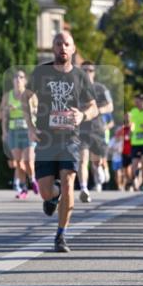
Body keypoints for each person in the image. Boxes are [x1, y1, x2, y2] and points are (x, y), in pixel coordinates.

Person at [22, 31, 98, 253]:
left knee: (68, 186)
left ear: (73, 49)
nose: (62, 48)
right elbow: (25, 98)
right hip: (46, 139)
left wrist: (82, 115)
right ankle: (51, 197)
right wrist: (30, 127)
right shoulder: (41, 72)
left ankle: (61, 235)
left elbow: (92, 106)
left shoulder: (80, 77)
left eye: (67, 44)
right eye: (58, 44)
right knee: (46, 192)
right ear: (53, 48)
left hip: (70, 139)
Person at [76, 62, 113, 202]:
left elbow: (110, 106)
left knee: (97, 161)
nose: (87, 72)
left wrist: (98, 110)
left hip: (98, 129)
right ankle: (84, 188)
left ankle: (100, 168)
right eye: (84, 70)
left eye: (90, 70)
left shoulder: (101, 88)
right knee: (82, 160)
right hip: (82, 130)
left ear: (94, 72)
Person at [0, 68, 38, 199]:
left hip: (28, 131)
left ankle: (33, 179)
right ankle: (24, 188)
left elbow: (39, 112)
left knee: (28, 162)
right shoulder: (7, 96)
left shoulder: (30, 95)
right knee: (19, 163)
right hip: (13, 131)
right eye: (16, 77)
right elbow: (1, 115)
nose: (18, 80)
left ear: (25, 81)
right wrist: (4, 131)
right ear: (13, 81)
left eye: (21, 77)